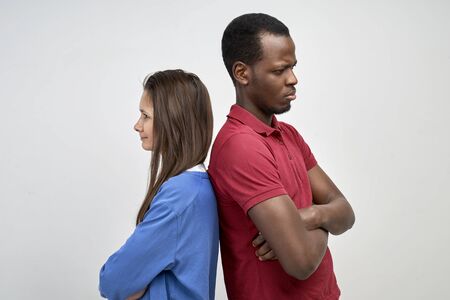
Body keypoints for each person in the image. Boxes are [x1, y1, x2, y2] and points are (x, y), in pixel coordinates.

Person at [208, 13, 355, 300]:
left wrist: (309, 216)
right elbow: (300, 262)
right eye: (279, 71)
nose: (293, 79)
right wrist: (325, 220)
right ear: (242, 73)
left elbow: (346, 213)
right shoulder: (240, 147)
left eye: (293, 67)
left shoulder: (288, 134)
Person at [99, 69, 219, 300]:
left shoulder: (180, 195)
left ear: (172, 119)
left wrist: (139, 284)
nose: (137, 125)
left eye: (145, 116)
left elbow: (112, 281)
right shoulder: (199, 186)